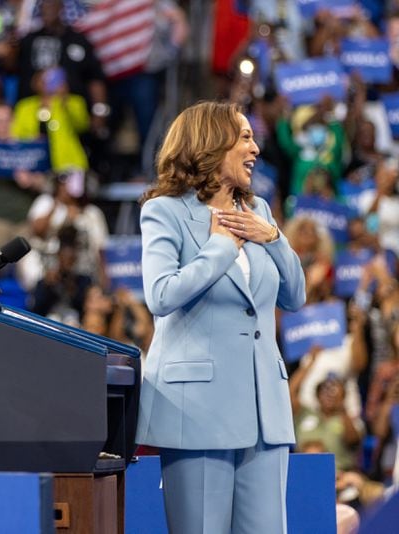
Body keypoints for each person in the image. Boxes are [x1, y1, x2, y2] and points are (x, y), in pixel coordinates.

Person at [135, 101, 306, 533]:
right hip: (198, 410)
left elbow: (295, 296)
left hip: (263, 408)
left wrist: (275, 238)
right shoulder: (165, 211)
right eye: (245, 137)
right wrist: (221, 248)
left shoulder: (259, 212)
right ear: (212, 143)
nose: (255, 149)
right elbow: (160, 295)